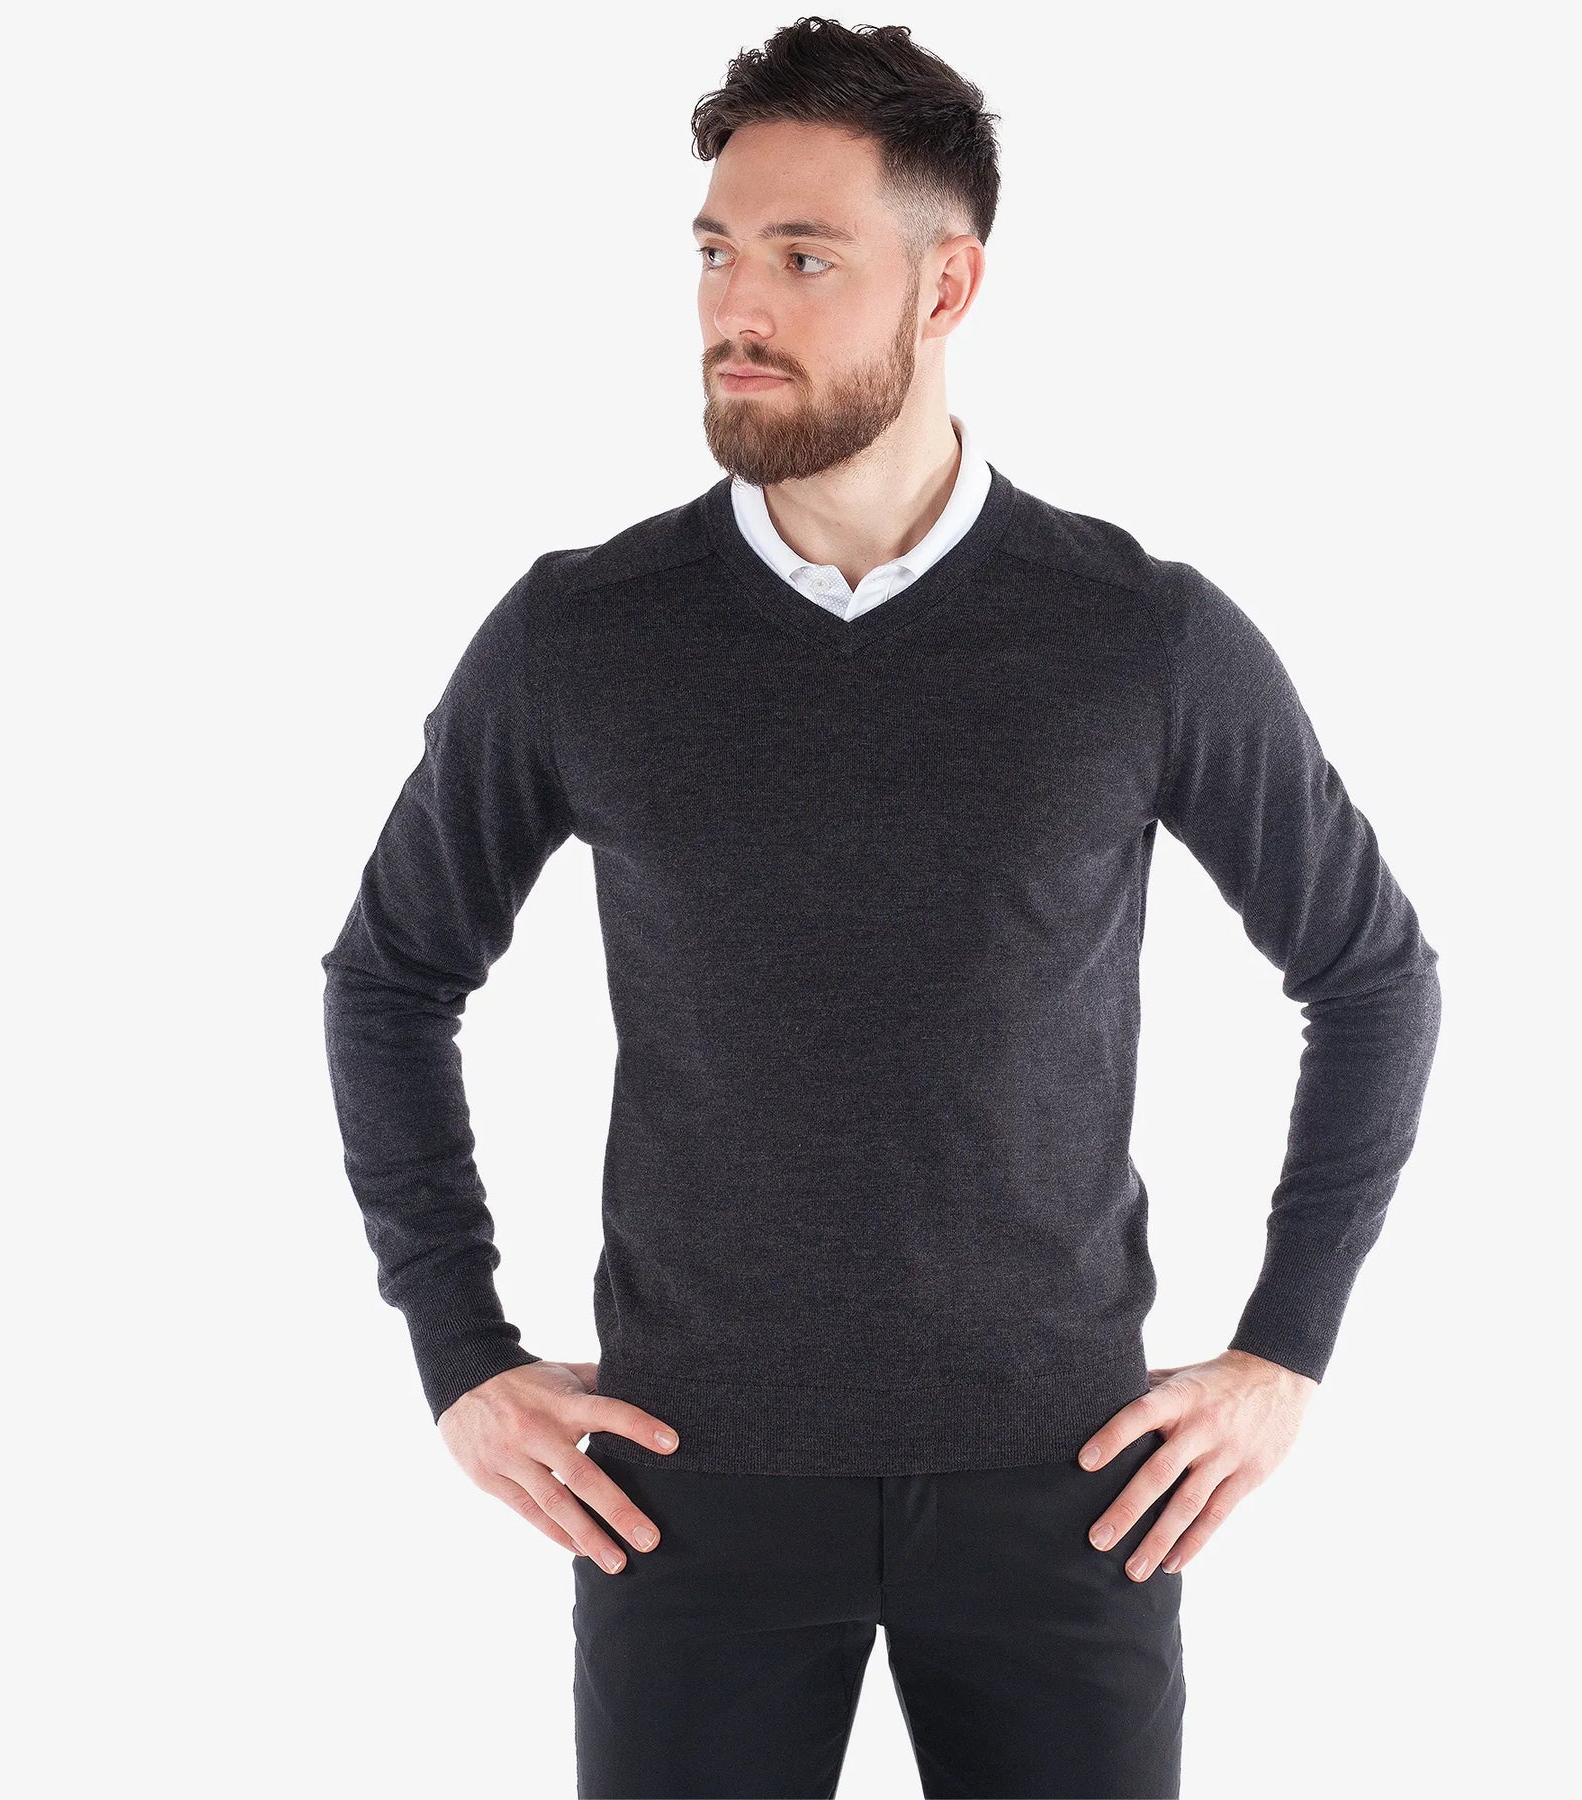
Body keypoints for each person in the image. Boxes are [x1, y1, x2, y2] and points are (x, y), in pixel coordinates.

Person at [319, 18, 1441, 1798]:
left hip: (1072, 1491)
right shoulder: (583, 634)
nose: (733, 307)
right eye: (714, 252)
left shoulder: (1139, 636)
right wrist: (459, 1348)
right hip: (684, 1489)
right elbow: (391, 977)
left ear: (947, 285)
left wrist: (1284, 1350)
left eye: (802, 257)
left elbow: (1370, 974)